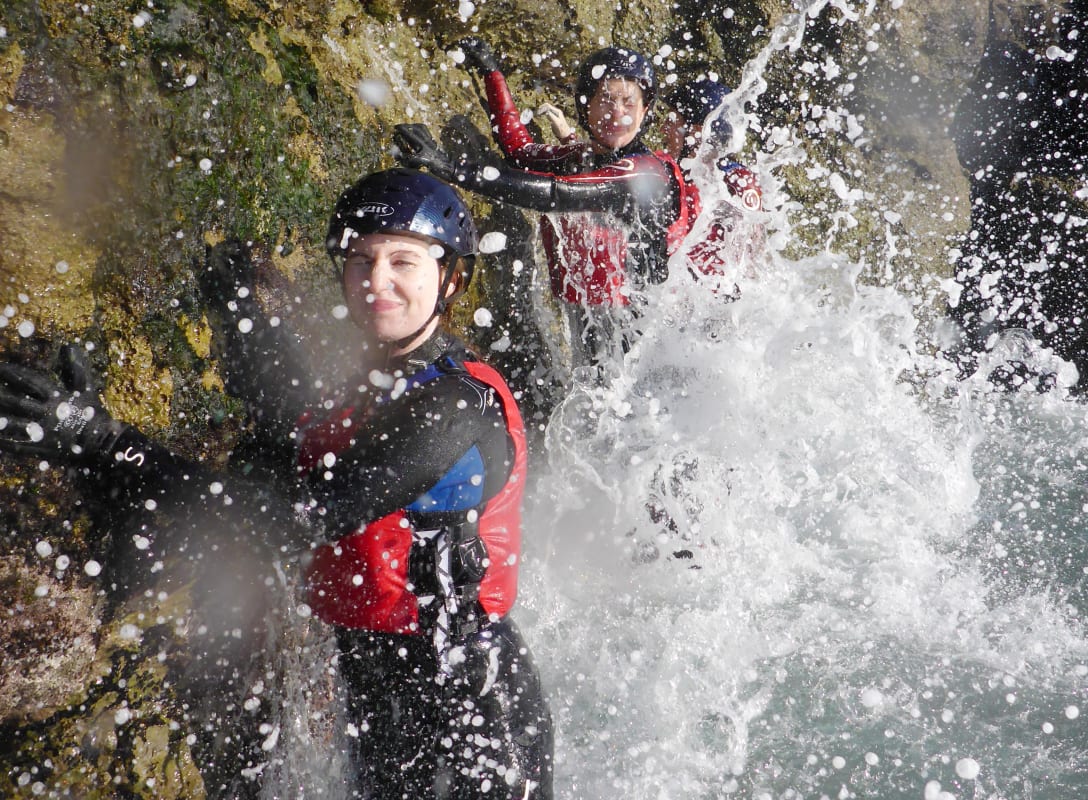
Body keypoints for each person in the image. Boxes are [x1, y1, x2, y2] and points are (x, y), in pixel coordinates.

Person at [0, 169, 554, 800]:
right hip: (377, 687)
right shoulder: (356, 386)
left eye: (403, 261)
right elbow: (272, 427)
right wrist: (234, 305)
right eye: (360, 261)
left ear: (450, 278)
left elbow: (302, 518)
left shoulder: (455, 404)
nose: (377, 282)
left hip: (471, 710)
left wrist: (108, 441)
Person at [397, 40, 692, 369]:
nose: (617, 113)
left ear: (645, 110)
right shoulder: (581, 157)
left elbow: (555, 194)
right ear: (586, 106)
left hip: (645, 331)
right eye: (605, 99)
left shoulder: (642, 172)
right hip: (590, 318)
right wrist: (493, 74)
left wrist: (450, 168)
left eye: (628, 101)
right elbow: (520, 153)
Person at [661, 76, 763, 286]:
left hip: (720, 308)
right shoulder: (670, 176)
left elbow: (751, 265)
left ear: (698, 132)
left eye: (672, 121)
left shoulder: (736, 183)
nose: (664, 130)